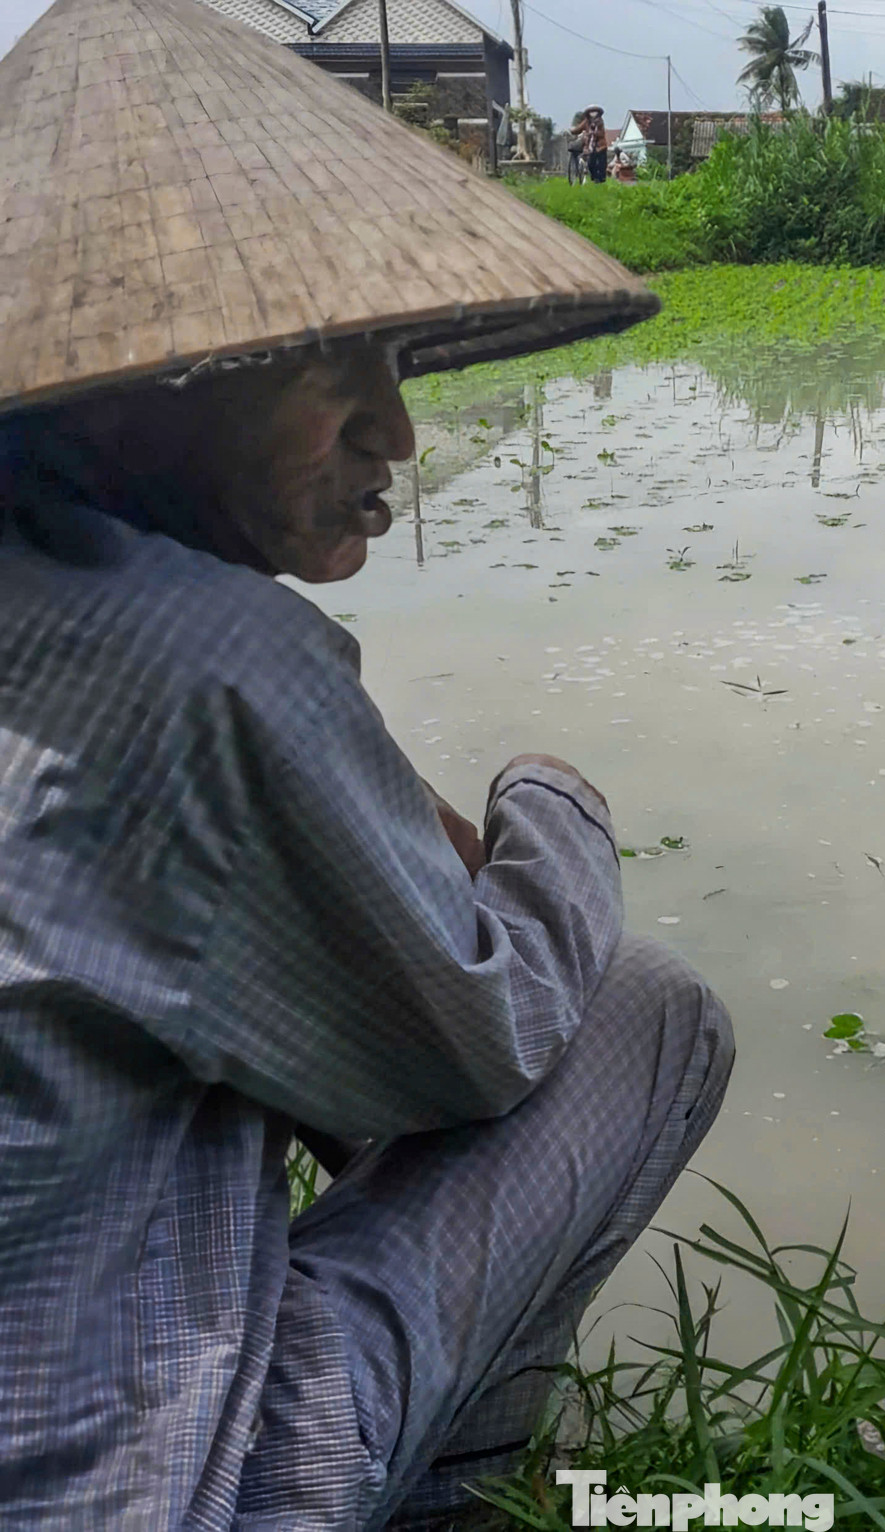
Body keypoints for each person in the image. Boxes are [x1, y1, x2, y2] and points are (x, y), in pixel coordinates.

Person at [0, 1, 733, 1529]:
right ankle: (441, 1492)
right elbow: (486, 1032)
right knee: (647, 1017)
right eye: (330, 364)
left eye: (395, 358)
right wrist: (551, 805)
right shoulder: (201, 661)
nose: (394, 431)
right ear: (150, 373)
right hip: (123, 1496)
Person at [580, 103, 609, 184]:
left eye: (595, 112)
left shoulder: (600, 122)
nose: (593, 114)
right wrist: (571, 131)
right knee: (591, 163)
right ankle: (594, 178)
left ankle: (601, 180)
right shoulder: (586, 122)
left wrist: (593, 132)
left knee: (601, 164)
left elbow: (601, 133)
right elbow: (578, 128)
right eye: (591, 112)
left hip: (601, 146)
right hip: (591, 146)